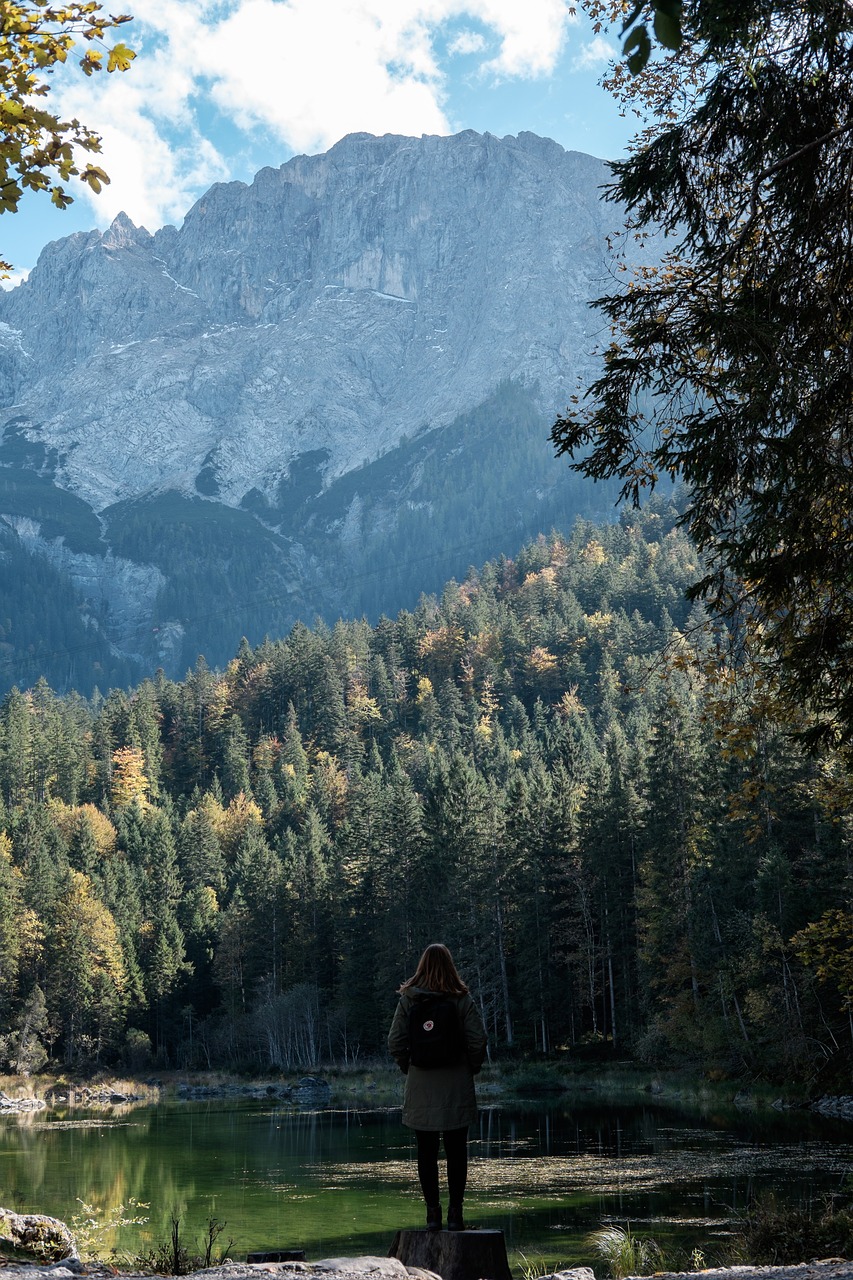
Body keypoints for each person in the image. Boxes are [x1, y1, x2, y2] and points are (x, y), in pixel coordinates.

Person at [387, 942, 488, 1233]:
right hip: (456, 1082)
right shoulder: (460, 998)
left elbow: (394, 1041)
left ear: (421, 966)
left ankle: (433, 1215)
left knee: (426, 1152)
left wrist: (410, 1067)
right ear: (450, 966)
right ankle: (456, 1215)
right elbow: (478, 1040)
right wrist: (471, 1066)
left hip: (421, 1084)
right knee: (457, 1151)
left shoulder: (409, 998)